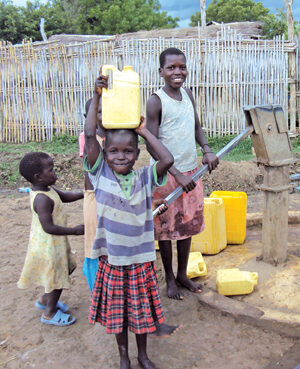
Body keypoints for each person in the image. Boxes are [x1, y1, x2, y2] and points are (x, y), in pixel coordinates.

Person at [84, 75, 178, 369]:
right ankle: (124, 356)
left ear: (138, 154)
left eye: (128, 151)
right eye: (113, 151)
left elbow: (167, 159)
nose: (121, 156)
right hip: (113, 261)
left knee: (140, 313)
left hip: (139, 260)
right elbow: (89, 136)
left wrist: (144, 131)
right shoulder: (100, 174)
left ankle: (143, 355)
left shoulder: (144, 178)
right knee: (118, 315)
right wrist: (97, 96)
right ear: (104, 153)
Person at [146, 47, 219, 300]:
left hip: (192, 172)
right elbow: (151, 143)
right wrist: (175, 173)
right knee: (166, 229)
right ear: (161, 72)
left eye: (181, 67)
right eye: (171, 68)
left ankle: (182, 274)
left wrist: (207, 150)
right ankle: (168, 279)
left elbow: (196, 126)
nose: (177, 72)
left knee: (186, 226)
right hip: (167, 176)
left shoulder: (187, 94)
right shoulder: (156, 100)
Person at [17, 152, 84, 326]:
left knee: (60, 273)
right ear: (38, 177)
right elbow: (49, 227)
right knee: (57, 277)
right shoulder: (41, 199)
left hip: (53, 243)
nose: (55, 173)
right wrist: (74, 231)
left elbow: (63, 197)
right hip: (49, 245)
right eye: (51, 170)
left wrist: (84, 194)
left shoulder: (47, 189)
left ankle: (45, 300)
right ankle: (49, 313)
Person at [79, 98, 105, 292]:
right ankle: (97, 289)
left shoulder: (118, 134)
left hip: (115, 198)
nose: (103, 116)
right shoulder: (88, 138)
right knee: (94, 244)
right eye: (97, 112)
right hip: (95, 197)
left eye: (107, 110)